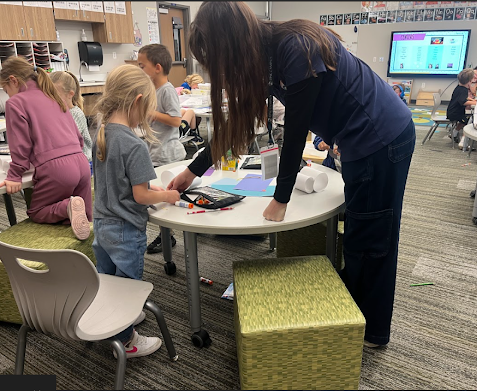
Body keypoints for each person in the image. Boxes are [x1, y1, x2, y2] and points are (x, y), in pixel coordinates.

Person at [169, 2, 416, 348]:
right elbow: (238, 126)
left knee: (372, 238)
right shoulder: (265, 56)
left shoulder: (295, 46)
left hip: (380, 138)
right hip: (359, 139)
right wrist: (192, 171)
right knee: (362, 235)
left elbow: (297, 130)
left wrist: (281, 197)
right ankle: (351, 318)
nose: (219, 72)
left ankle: (369, 332)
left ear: (233, 42)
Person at [92, 64, 181, 358]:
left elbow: (119, 184)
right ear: (138, 102)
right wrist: (167, 194)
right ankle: (126, 340)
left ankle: (111, 324)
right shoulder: (134, 145)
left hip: (102, 226)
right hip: (125, 230)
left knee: (108, 282)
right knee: (128, 287)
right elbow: (141, 194)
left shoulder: (102, 135)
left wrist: (151, 191)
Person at [0, 57, 91, 240]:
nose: (7, 94)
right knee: (83, 220)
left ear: (13, 80)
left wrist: (15, 175)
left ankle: (67, 206)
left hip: (57, 169)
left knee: (37, 211)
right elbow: (77, 134)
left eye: (5, 89)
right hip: (81, 163)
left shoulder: (16, 102)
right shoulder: (53, 95)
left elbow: (21, 144)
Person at [137, 43, 191, 253]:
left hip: (168, 154)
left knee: (165, 198)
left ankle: (168, 236)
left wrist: (150, 113)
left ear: (157, 67)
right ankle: (166, 235)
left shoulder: (167, 90)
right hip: (155, 152)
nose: (140, 70)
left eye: (143, 66)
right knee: (160, 198)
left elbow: (176, 120)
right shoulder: (152, 90)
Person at [49, 71, 93, 162]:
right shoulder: (57, 112)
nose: (51, 99)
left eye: (55, 95)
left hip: (85, 161)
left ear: (70, 94)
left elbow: (65, 140)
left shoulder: (76, 114)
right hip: (70, 160)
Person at [447, 69, 477, 145]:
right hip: (455, 113)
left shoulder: (459, 87)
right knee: (468, 121)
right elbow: (463, 102)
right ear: (470, 81)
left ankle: (454, 133)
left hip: (452, 111)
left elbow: (463, 98)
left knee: (465, 120)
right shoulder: (463, 90)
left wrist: (472, 100)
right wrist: (475, 103)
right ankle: (461, 140)